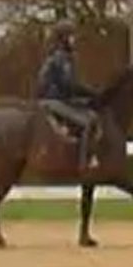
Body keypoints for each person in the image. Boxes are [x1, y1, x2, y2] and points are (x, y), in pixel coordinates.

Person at [35, 19, 101, 173]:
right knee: (88, 121)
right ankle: (85, 162)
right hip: (52, 101)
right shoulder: (61, 58)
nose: (74, 39)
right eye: (71, 36)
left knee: (87, 111)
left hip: (57, 98)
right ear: (64, 38)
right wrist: (92, 93)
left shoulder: (58, 56)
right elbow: (68, 85)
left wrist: (84, 98)